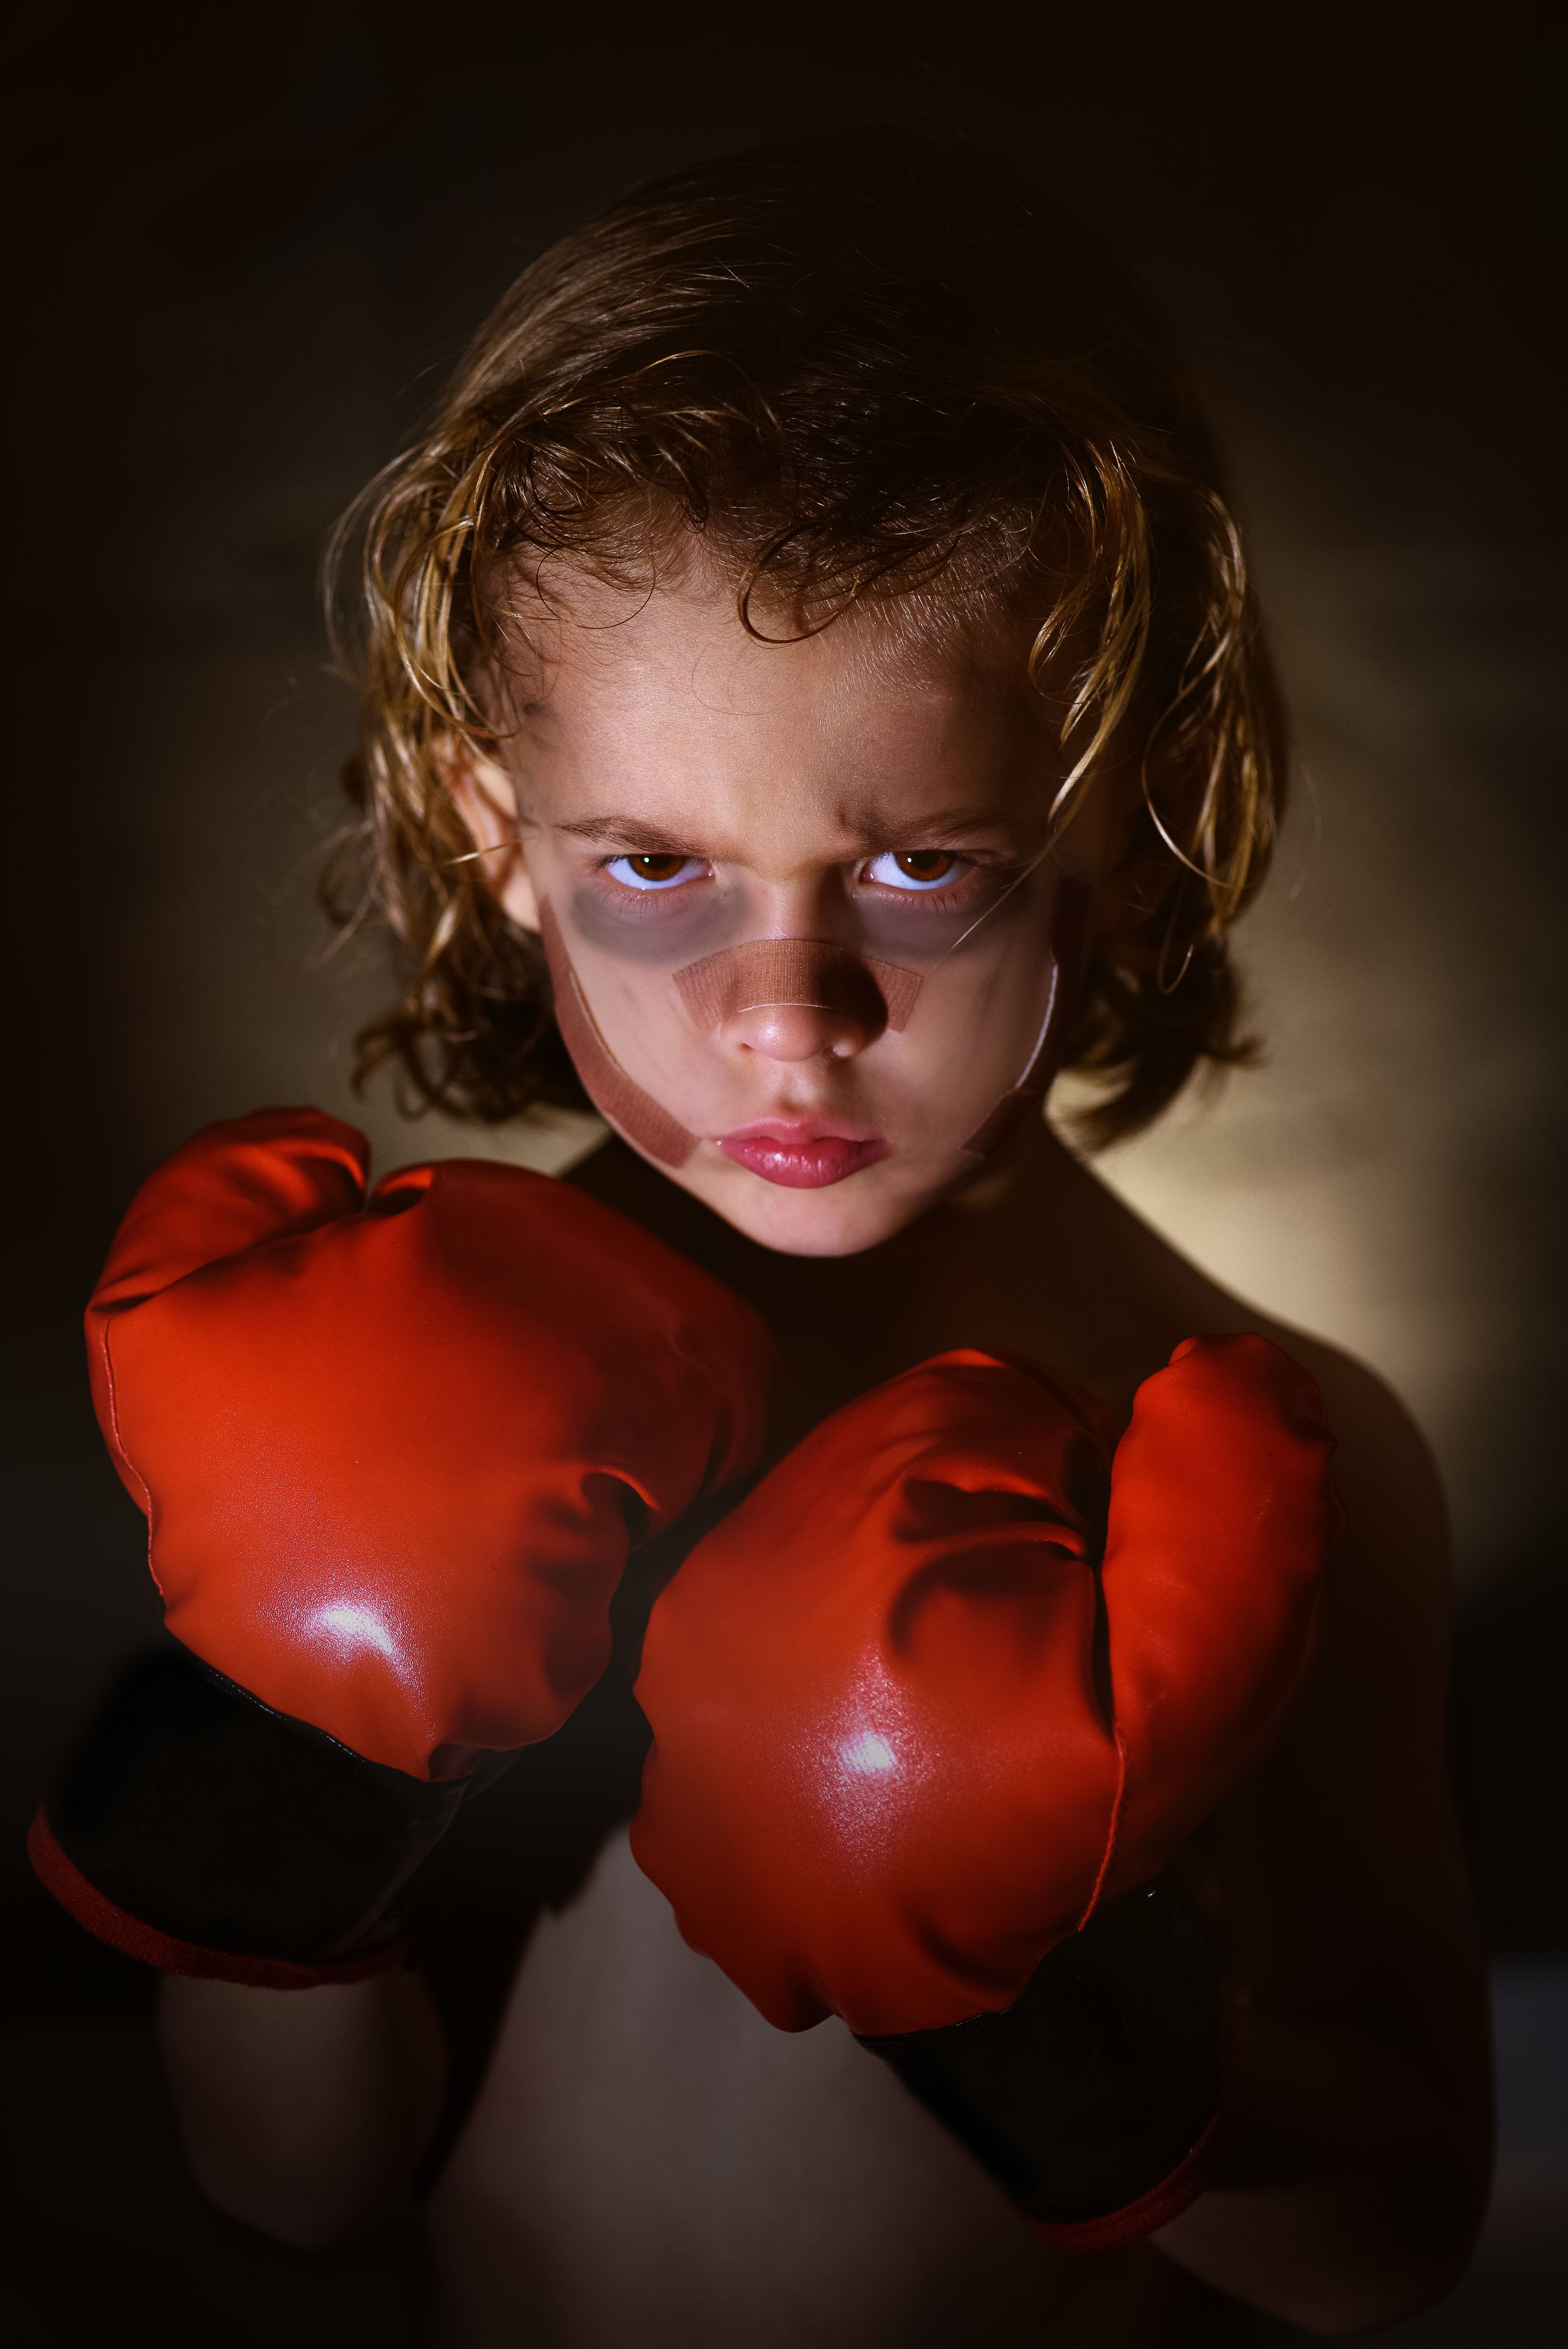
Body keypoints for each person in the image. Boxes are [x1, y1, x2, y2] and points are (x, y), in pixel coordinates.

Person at [86, 132, 1496, 2342]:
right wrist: (294, 1767)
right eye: (657, 866)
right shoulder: (401, 1417)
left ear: (1120, 826)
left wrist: (1031, 2009)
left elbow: (1392, 2247)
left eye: (922, 866)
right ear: (500, 839)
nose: (786, 1009)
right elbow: (287, 2186)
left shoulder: (1256, 1463)